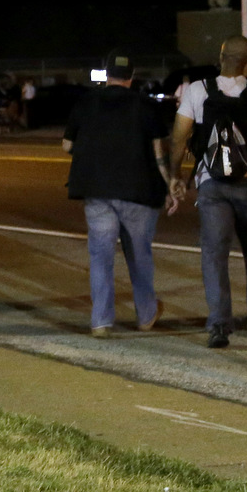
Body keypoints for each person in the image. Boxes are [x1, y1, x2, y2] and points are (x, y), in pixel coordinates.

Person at [168, 35, 247, 348]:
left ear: (221, 57)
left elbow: (179, 138)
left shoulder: (197, 90)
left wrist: (176, 175)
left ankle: (219, 324)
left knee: (214, 254)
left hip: (212, 183)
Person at [62, 50, 175, 338]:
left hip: (97, 190)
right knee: (139, 254)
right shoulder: (147, 106)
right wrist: (172, 184)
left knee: (101, 257)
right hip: (139, 191)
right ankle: (146, 315)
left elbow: (66, 146)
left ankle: (101, 321)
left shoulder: (86, 103)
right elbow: (159, 152)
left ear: (106, 74)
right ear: (132, 77)